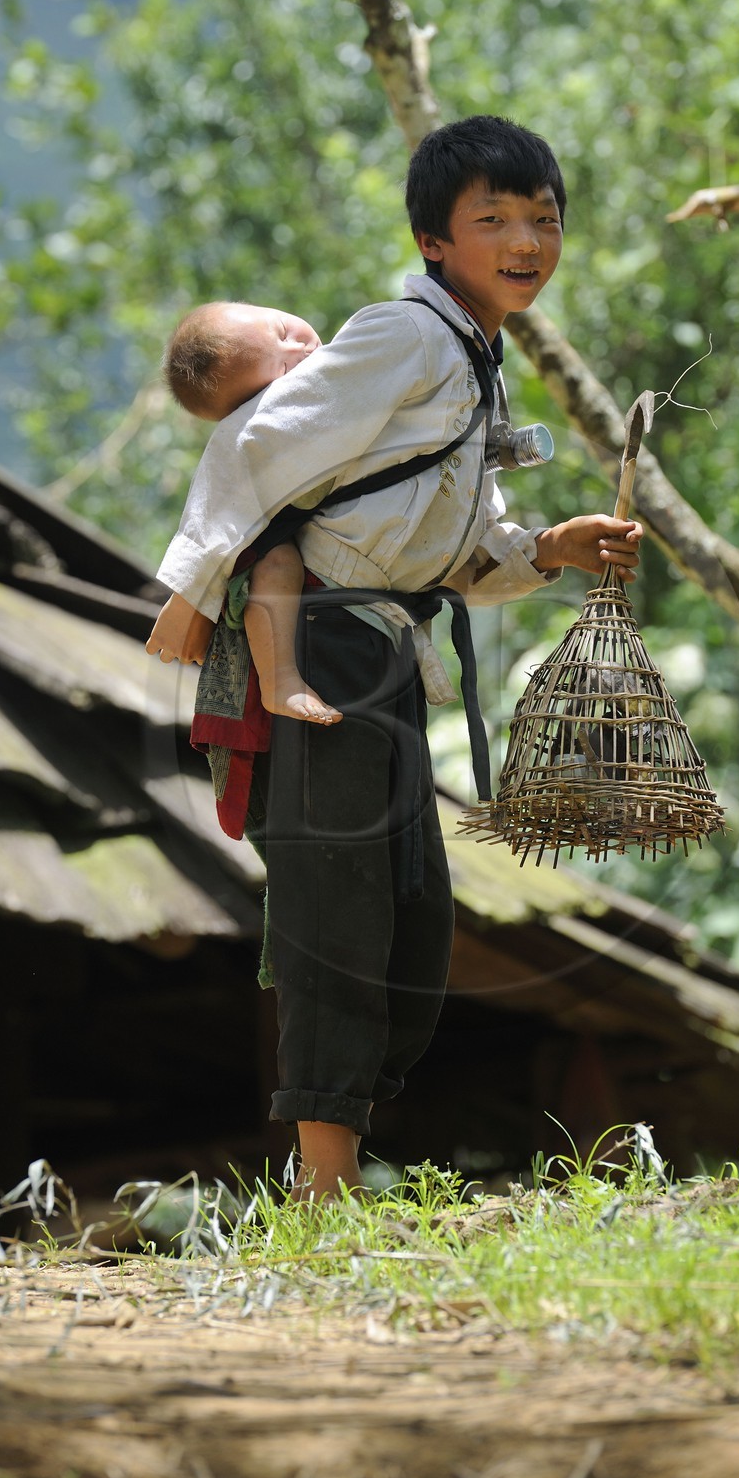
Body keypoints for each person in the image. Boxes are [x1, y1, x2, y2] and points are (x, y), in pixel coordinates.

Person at [149, 115, 643, 1203]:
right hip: (322, 637)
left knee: (413, 929)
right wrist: (192, 589)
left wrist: (548, 549)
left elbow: (457, 546)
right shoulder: (404, 335)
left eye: (543, 218)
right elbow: (253, 442)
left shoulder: (473, 358)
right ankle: (321, 1191)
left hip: (386, 651)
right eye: (493, 219)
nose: (527, 240)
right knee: (336, 912)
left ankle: (339, 1158)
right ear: (433, 240)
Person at [148, 301, 342, 725]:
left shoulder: (356, 356)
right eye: (283, 371)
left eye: (282, 330)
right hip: (274, 545)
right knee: (276, 563)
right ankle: (280, 681)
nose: (300, 350)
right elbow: (222, 494)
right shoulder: (256, 431)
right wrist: (191, 591)